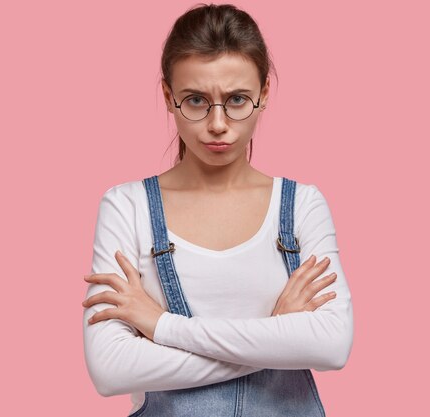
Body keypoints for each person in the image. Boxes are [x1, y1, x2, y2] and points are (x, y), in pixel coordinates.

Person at [82, 3, 353, 416]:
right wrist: (277, 335)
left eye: (237, 99)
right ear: (169, 98)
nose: (218, 124)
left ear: (263, 95)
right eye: (196, 100)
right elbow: (110, 370)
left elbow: (332, 345)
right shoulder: (127, 207)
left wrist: (162, 327)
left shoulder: (301, 206)